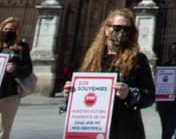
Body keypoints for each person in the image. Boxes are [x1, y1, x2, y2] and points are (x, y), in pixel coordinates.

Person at [65, 8, 156, 139]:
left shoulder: (138, 59)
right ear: (107, 29)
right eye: (118, 27)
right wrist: (71, 94)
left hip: (124, 128)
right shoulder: (93, 58)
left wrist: (129, 94)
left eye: (127, 29)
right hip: (94, 127)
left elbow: (149, 96)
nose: (122, 32)